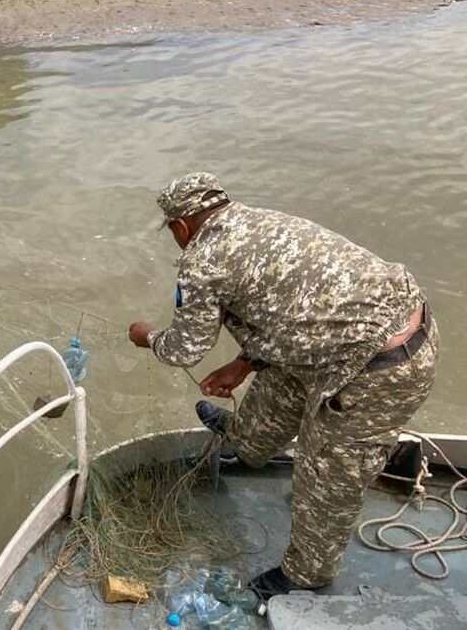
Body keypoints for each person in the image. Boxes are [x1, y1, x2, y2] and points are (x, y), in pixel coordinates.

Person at [127, 172, 438, 600]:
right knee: (280, 384)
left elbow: (184, 349)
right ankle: (246, 443)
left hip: (377, 371)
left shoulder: (203, 259)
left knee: (326, 473)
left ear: (181, 227)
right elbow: (293, 313)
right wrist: (243, 363)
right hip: (395, 327)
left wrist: (146, 336)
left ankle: (306, 573)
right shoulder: (261, 220)